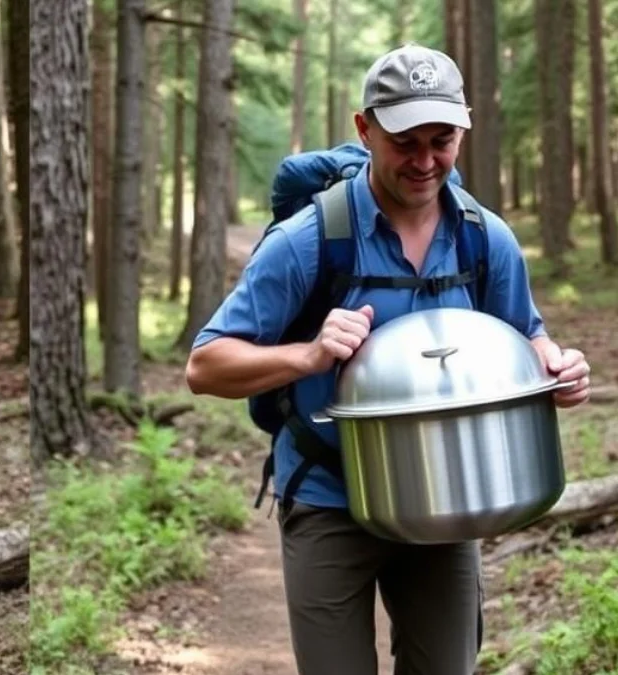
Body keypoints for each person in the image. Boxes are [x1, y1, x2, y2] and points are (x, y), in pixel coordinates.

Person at [185, 43, 592, 675]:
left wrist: (556, 367)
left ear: (463, 131)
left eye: (442, 141)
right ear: (365, 129)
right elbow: (205, 365)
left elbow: (525, 335)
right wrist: (308, 355)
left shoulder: (485, 239)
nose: (425, 162)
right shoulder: (308, 241)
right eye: (405, 142)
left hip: (446, 501)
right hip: (328, 496)